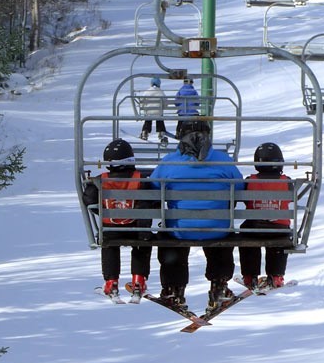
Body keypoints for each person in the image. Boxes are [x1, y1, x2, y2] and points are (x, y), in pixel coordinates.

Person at [150, 121, 244, 311]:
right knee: (220, 228)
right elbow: (240, 189)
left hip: (180, 231)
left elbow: (152, 190)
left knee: (169, 231)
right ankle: (219, 286)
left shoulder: (169, 162)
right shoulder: (223, 161)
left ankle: (173, 289)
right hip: (217, 230)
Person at [82, 139, 152, 300]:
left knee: (110, 245)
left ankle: (111, 282)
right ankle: (138, 281)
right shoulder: (140, 179)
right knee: (142, 244)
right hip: (137, 230)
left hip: (110, 230)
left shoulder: (101, 180)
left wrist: (107, 212)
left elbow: (90, 200)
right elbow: (152, 202)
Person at [239, 143, 291, 290]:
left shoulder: (250, 181)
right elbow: (293, 198)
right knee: (279, 241)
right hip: (279, 227)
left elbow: (243, 198)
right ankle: (276, 275)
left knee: (247, 237)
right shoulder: (287, 182)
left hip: (254, 227)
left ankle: (250, 276)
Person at [140, 76, 168, 143]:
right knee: (160, 118)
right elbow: (166, 103)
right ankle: (161, 132)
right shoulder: (161, 92)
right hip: (158, 112)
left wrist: (144, 108)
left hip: (148, 112)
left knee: (148, 119)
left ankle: (145, 131)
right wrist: (163, 108)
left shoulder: (147, 92)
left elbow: (142, 101)